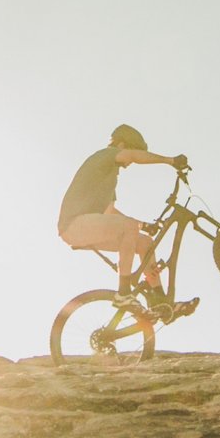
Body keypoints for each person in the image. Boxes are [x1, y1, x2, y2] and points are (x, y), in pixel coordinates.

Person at [57, 125, 198, 319]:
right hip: (74, 225)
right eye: (133, 150)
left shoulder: (110, 176)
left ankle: (160, 302)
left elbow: (110, 212)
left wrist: (143, 225)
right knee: (128, 226)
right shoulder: (104, 156)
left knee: (145, 242)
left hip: (90, 226)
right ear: (121, 144)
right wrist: (169, 161)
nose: (130, 162)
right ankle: (123, 293)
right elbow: (131, 156)